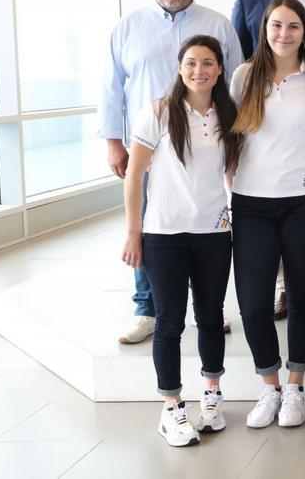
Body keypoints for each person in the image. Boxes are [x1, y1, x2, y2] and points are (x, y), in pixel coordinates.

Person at [101, 0, 242, 345]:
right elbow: (111, 87)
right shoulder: (129, 27)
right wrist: (114, 141)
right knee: (149, 224)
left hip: (206, 138)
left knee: (202, 219)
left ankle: (205, 308)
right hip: (149, 143)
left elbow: (237, 82)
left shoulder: (217, 24)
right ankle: (147, 308)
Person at [119, 35, 242, 447]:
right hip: (163, 235)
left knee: (211, 317)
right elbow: (135, 175)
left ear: (220, 69)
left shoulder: (229, 113)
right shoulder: (156, 113)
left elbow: (232, 174)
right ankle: (172, 408)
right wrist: (133, 231)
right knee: (169, 322)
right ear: (179, 66)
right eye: (191, 63)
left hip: (213, 232)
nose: (199, 71)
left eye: (208, 63)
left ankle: (211, 396)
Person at [229, 0, 305, 429]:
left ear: (304, 31)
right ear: (264, 30)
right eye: (276, 26)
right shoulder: (243, 76)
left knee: (303, 294)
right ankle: (268, 386)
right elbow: (229, 137)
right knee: (253, 303)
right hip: (252, 201)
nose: (284, 34)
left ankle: (295, 386)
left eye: (292, 26)